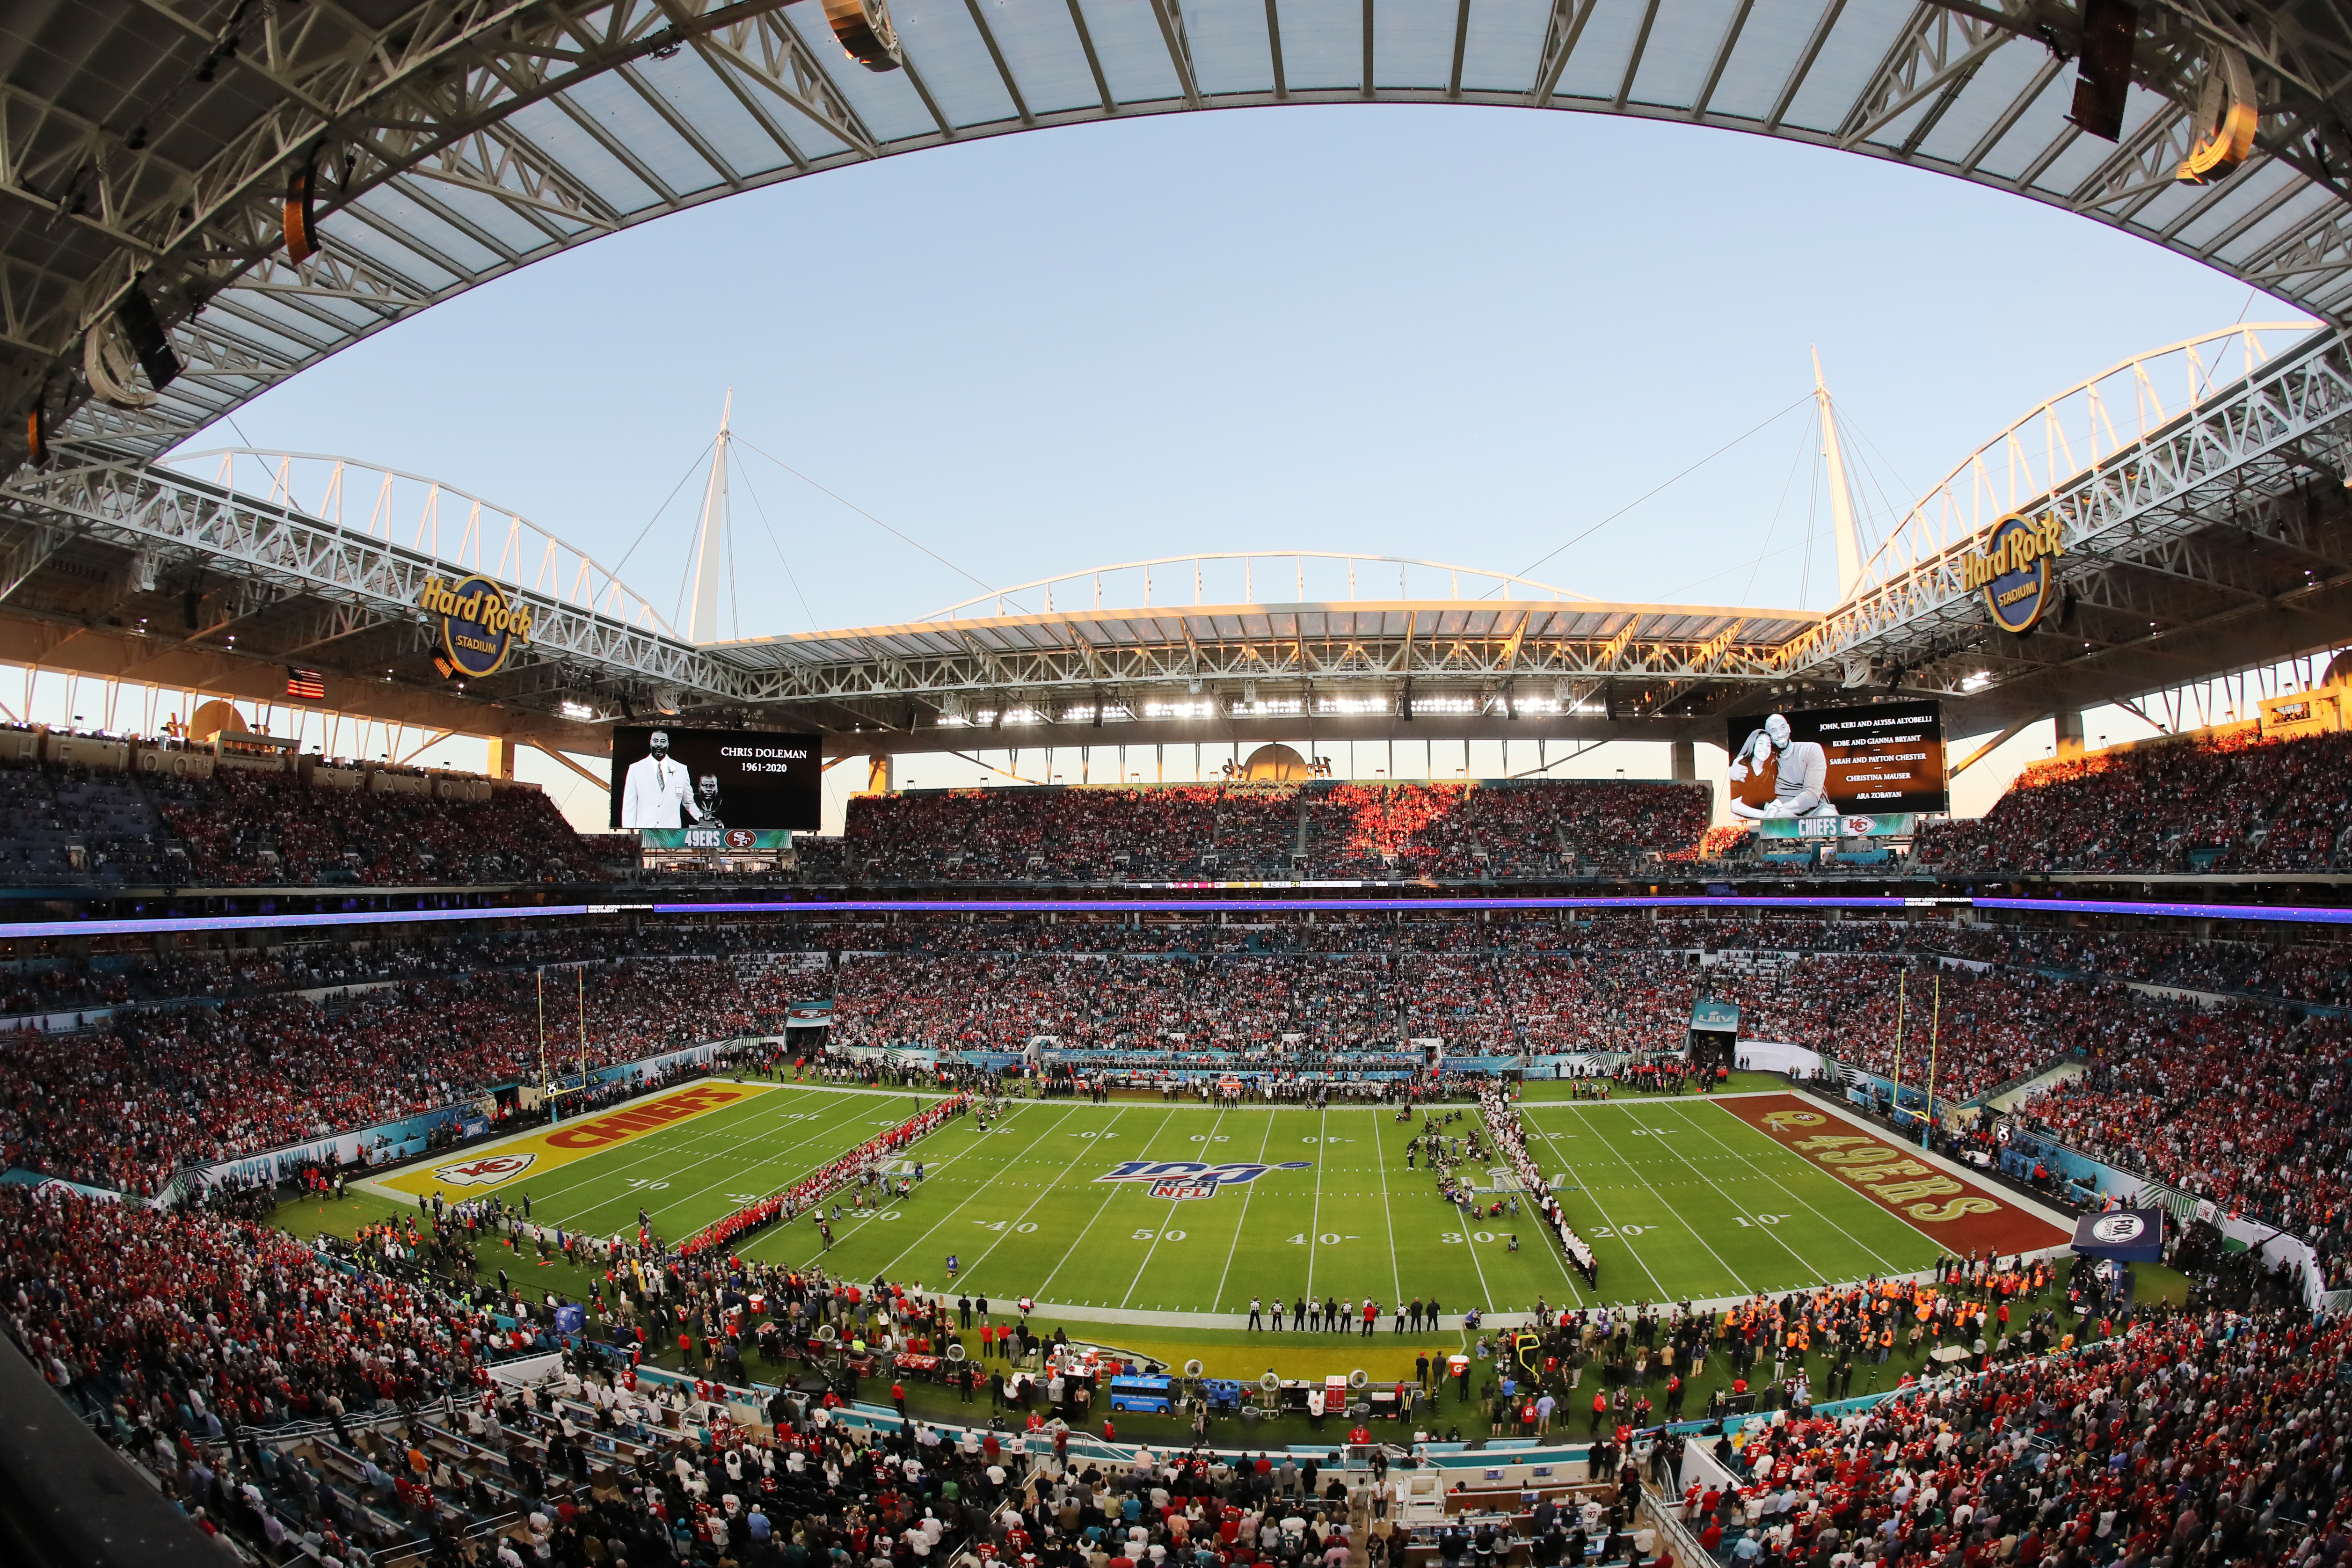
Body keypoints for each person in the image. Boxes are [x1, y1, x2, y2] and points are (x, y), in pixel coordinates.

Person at [619, 729, 697, 829]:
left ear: (668, 744)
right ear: (650, 743)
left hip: (672, 833)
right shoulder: (636, 769)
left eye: (663, 741)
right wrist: (629, 832)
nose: (659, 744)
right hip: (645, 831)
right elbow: (629, 805)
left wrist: (705, 819)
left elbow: (689, 802)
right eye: (656, 741)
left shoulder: (681, 769)